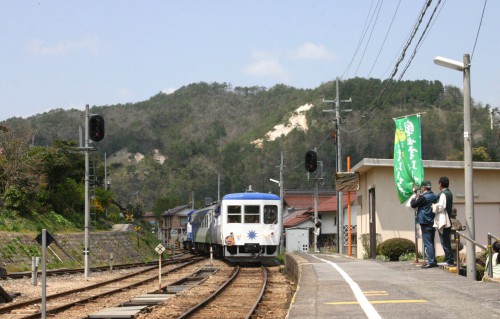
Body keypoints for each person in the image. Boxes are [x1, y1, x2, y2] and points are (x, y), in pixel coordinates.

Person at [411, 180, 438, 268]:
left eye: (422, 187)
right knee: (431, 242)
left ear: (423, 187)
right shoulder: (434, 196)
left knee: (427, 242)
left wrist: (414, 198)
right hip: (432, 221)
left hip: (424, 221)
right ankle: (433, 260)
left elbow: (413, 205)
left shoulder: (423, 197)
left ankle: (431, 262)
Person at [433, 176, 454, 266]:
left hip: (443, 220)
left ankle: (449, 260)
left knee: (445, 241)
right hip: (447, 219)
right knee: (446, 240)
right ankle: (448, 259)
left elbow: (441, 206)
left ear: (440, 184)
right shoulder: (449, 193)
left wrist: (434, 206)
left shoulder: (443, 194)